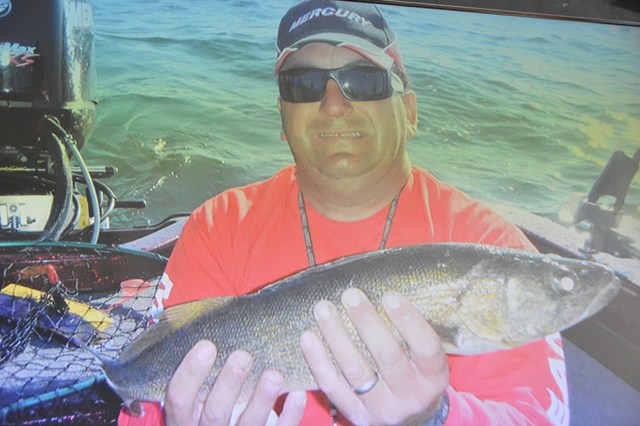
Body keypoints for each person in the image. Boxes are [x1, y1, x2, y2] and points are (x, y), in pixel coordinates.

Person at [119, 1, 568, 425]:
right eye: (304, 84)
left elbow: (533, 414)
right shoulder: (220, 227)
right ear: (282, 117)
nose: (333, 104)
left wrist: (434, 416)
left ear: (410, 111)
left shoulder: (489, 253)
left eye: (364, 80)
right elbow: (142, 401)